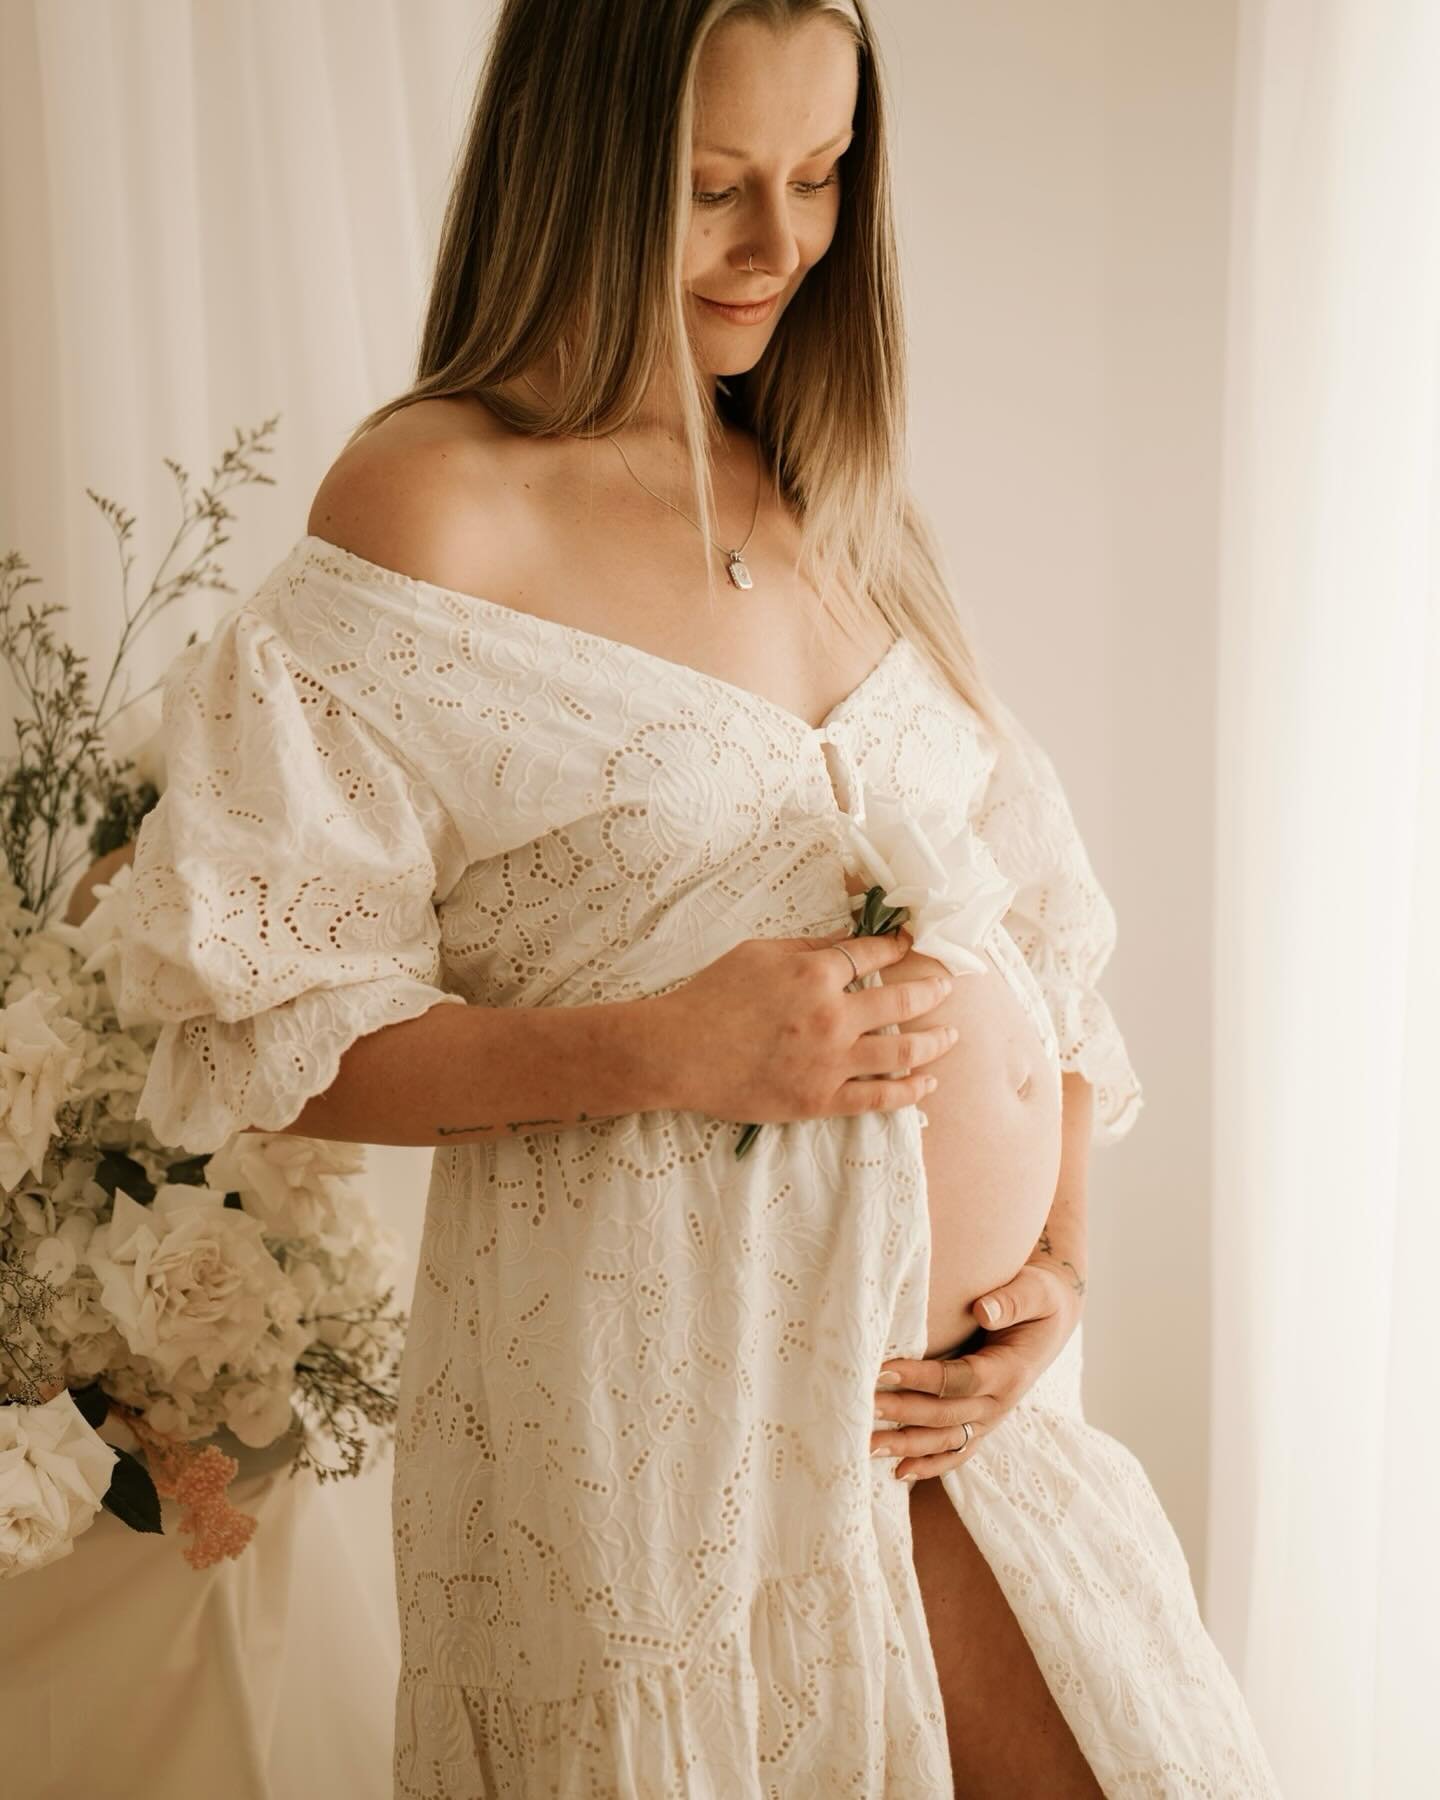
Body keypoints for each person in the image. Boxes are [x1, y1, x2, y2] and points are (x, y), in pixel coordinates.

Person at [116, 2, 1282, 1793]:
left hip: (959, 1432)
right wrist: (668, 1044)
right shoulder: (438, 505)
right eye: (713, 186)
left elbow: (1036, 927)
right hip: (660, 1456)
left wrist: (1058, 1257)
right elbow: (273, 1031)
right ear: (577, 171)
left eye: (821, 178)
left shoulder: (838, 491)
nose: (779, 247)